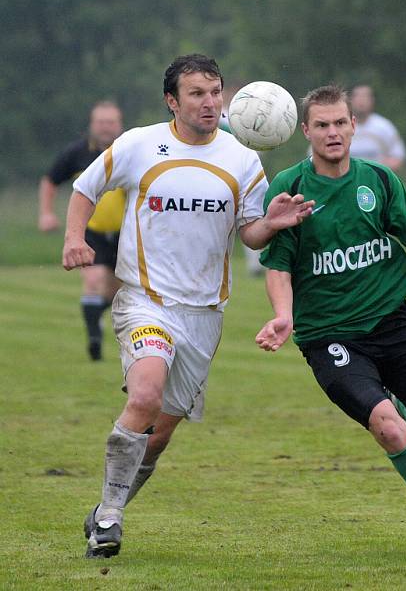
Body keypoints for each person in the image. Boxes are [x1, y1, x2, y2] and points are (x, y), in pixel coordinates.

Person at [63, 54, 314, 559]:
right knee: (146, 396)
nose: (209, 102)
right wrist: (74, 237)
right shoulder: (139, 144)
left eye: (215, 91)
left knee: (158, 435)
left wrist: (275, 221)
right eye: (197, 93)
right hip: (144, 301)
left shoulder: (242, 159)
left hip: (204, 314)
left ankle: (106, 509)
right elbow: (85, 188)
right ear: (172, 101)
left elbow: (250, 234)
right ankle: (111, 519)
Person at [255, 84, 406, 557]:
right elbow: (279, 265)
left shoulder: (379, 181)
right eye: (321, 125)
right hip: (330, 336)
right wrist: (283, 316)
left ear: (353, 126)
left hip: (393, 323)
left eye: (340, 123)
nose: (332, 133)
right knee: (388, 428)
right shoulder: (291, 188)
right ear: (306, 130)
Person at [39, 101, 125, 360]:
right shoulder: (76, 153)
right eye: (101, 122)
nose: (106, 127)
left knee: (116, 292)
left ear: (119, 125)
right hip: (92, 232)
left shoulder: (130, 151)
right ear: (92, 124)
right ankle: (95, 341)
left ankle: (95, 314)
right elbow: (50, 180)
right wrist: (46, 213)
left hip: (125, 234)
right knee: (92, 279)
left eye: (110, 122)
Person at [219, 81, 266, 277]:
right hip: (221, 172)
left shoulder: (245, 116)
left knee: (250, 216)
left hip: (243, 173)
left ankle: (256, 265)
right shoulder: (218, 117)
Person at [349, 84, 406, 171]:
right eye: (357, 96)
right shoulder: (341, 127)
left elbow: (398, 157)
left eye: (365, 96)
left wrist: (377, 171)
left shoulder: (384, 127)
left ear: (372, 101)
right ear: (350, 100)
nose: (361, 100)